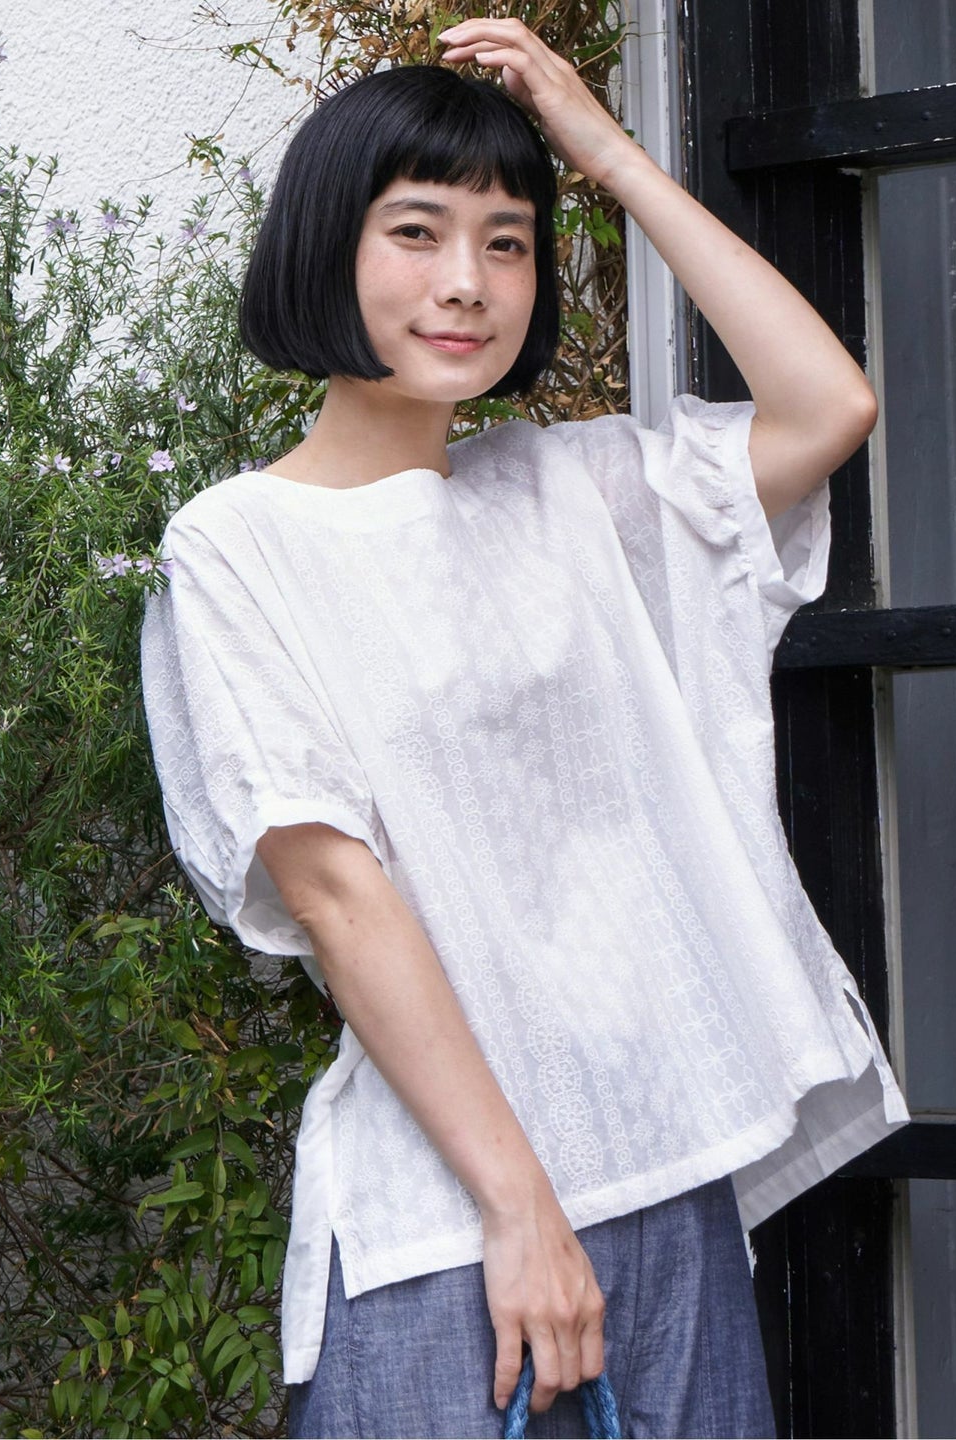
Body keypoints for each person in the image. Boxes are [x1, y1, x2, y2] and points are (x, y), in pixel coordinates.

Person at [141, 18, 909, 1438]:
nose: (467, 282)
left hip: (664, 1177)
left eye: (507, 243)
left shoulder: (573, 491)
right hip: (454, 1227)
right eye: (417, 232)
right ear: (323, 247)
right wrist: (521, 1212)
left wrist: (607, 156)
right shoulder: (240, 546)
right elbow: (338, 892)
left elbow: (829, 404)